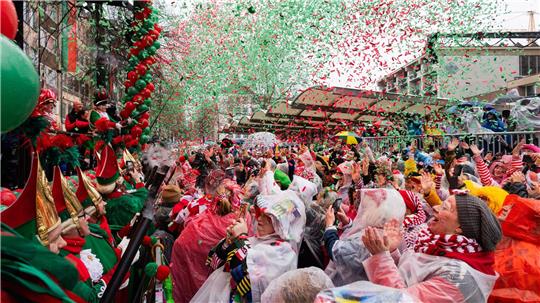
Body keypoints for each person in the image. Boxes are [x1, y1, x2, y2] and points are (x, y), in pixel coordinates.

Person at [317, 194, 502, 303]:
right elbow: (409, 279)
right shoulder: (435, 246)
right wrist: (392, 253)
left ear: (461, 227)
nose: (435, 207)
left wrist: (381, 257)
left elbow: (400, 299)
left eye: (445, 207)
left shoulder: (460, 277)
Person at [192, 190, 306, 303]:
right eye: (260, 213)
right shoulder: (259, 238)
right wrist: (229, 241)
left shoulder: (284, 253)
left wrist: (240, 238)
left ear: (283, 225)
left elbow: (245, 278)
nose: (260, 219)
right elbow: (216, 262)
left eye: (269, 218)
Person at [323, 188, 405, 286]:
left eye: (367, 207)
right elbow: (357, 232)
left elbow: (335, 251)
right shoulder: (391, 234)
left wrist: (329, 226)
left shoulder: (371, 237)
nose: (362, 210)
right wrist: (347, 223)